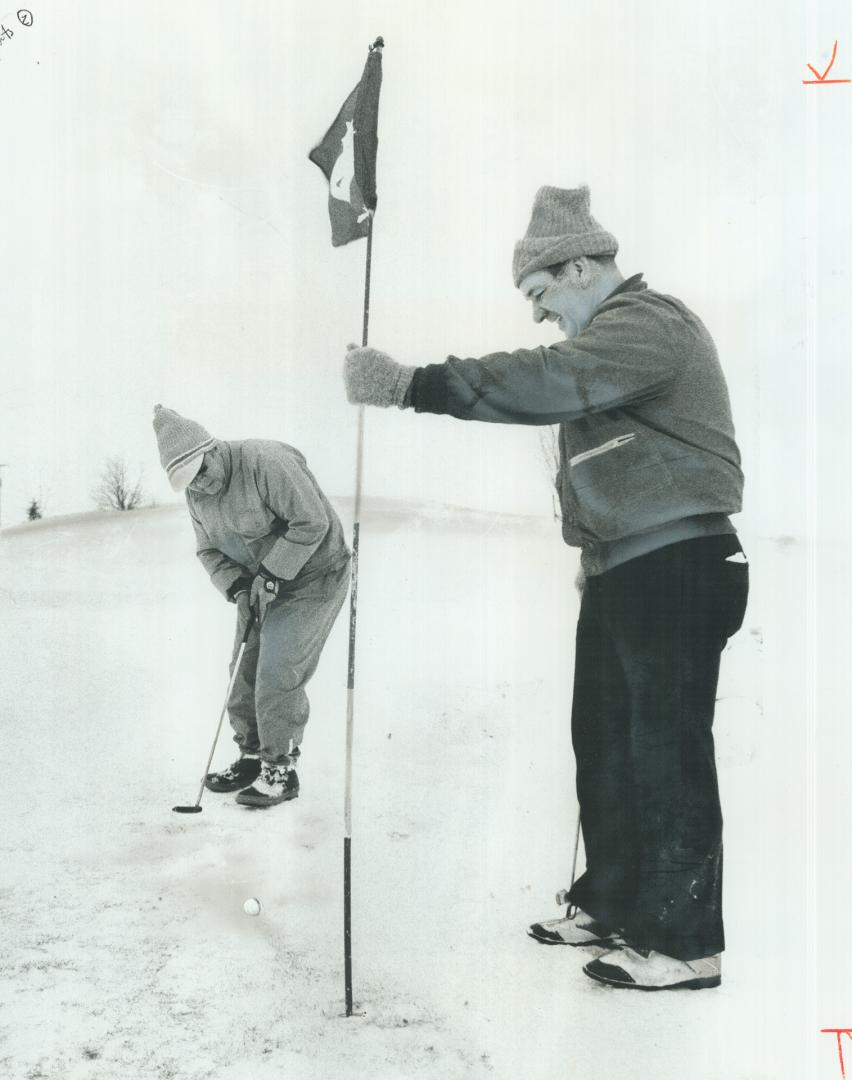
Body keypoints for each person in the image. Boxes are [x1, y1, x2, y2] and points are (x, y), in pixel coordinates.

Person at [343, 185, 748, 991]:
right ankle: (615, 902)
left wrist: (413, 384)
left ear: (578, 266)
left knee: (665, 750)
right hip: (626, 569)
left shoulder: (646, 324)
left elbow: (549, 382)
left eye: (538, 293)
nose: (536, 314)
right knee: (602, 741)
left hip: (679, 567)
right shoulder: (614, 337)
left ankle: (684, 942)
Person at [152, 405, 350, 809]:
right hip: (258, 585)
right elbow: (207, 549)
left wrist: (272, 574)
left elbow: (312, 522)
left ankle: (280, 769)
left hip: (315, 576)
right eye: (191, 483)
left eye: (202, 473)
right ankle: (251, 756)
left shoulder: (264, 461)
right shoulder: (198, 496)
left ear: (212, 449)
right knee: (243, 669)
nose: (202, 486)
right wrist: (239, 586)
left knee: (278, 669)